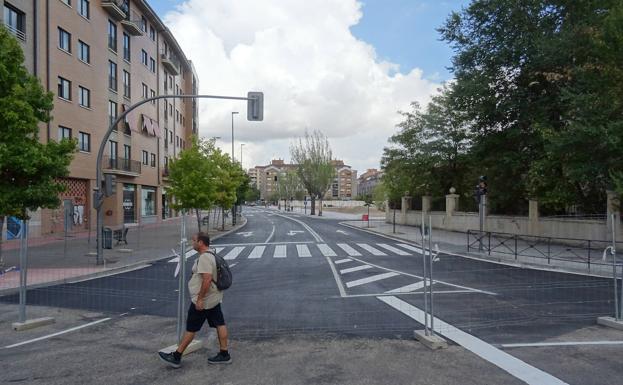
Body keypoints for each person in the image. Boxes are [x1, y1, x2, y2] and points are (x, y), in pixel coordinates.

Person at [158, 232, 231, 368]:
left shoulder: (204, 258)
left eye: (194, 241)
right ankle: (224, 353)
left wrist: (200, 299)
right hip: (213, 298)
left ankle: (176, 356)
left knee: (191, 328)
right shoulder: (212, 253)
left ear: (201, 243)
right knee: (220, 323)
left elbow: (207, 279)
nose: (192, 243)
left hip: (204, 300)